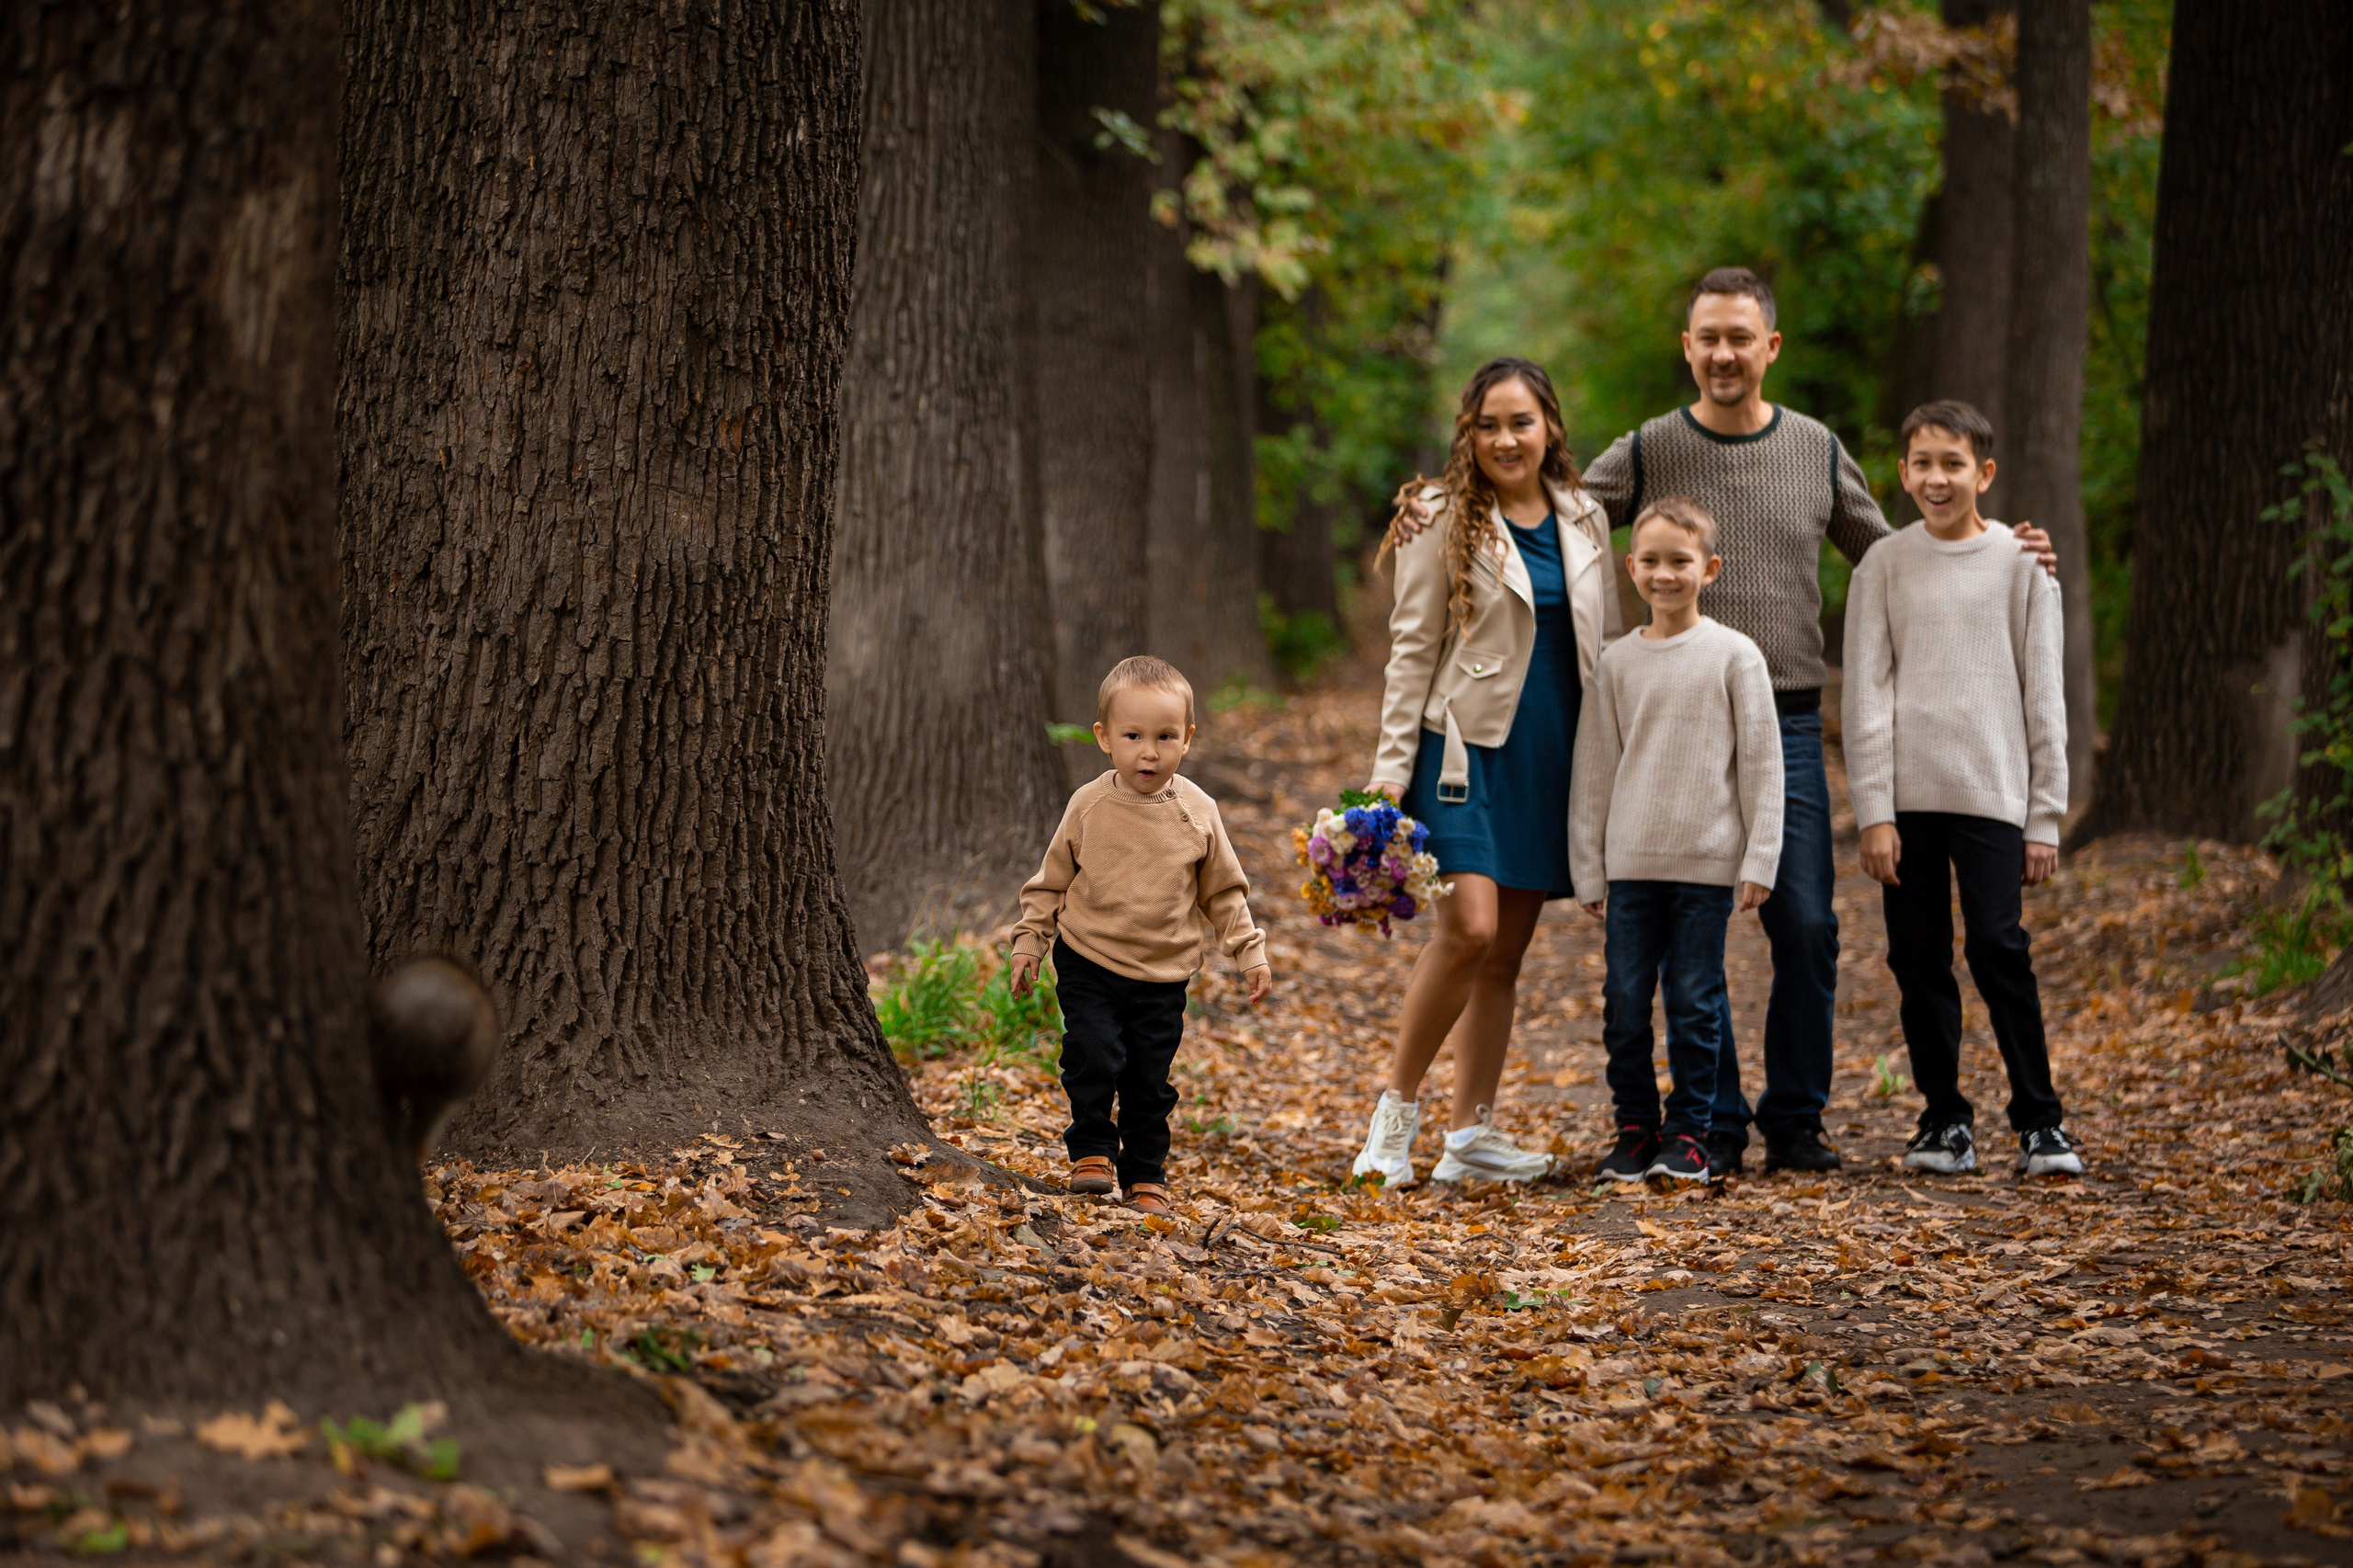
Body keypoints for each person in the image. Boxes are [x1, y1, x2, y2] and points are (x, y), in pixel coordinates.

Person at [1399, 267, 2055, 1176]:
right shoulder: (1647, 449)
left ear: (1768, 347)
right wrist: (1431, 508)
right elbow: (1546, 515)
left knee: (1805, 923)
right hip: (1674, 718)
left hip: (1784, 719)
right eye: (1706, 337)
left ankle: (1795, 1118)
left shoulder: (1818, 450)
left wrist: (2006, 550)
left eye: (1739, 337)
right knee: (1679, 935)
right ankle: (1708, 1117)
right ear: (1687, 346)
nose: (1722, 353)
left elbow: (1900, 554)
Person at [1350, 357, 1620, 1187]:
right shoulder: (1439, 514)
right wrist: (1389, 775)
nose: (1506, 439)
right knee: (1465, 931)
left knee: (1505, 953)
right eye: (1489, 424)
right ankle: (1391, 1124)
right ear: (1468, 433)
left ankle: (1471, 1138)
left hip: (1553, 757)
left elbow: (1600, 647)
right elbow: (1410, 647)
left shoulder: (1585, 516)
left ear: (1551, 429)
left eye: (1522, 422)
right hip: (1462, 753)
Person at [1844, 402, 2082, 1177]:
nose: (1936, 478)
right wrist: (1873, 813)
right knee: (1917, 958)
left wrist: (2044, 814)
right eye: (1921, 463)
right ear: (1904, 472)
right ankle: (1944, 1120)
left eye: (1952, 464)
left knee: (1997, 947)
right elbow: (1866, 697)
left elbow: (2043, 694)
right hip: (1908, 803)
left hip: (1992, 794)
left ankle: (2041, 1122)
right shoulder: (1882, 564)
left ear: (1983, 473)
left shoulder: (2023, 564)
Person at [1010, 656, 1273, 1216]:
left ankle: (1146, 1174)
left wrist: (1249, 951)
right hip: (1089, 958)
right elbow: (1051, 880)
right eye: (1133, 736)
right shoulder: (1089, 804)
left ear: (1188, 739)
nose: (1148, 751)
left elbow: (1223, 892)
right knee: (1092, 1055)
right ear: (1105, 738)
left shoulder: (1198, 811)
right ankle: (1091, 1153)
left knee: (1149, 1082)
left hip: (1163, 972)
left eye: (1165, 736)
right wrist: (1030, 942)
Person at [1571, 498, 1782, 1184]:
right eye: (1651, 561)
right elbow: (1595, 771)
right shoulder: (1616, 663)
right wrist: (1589, 869)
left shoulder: (1735, 657)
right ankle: (1635, 1128)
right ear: (1631, 568)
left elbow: (1762, 766)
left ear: (1710, 569)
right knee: (1625, 1002)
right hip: (1631, 865)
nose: (1665, 575)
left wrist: (1760, 858)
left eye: (1681, 561)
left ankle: (1690, 1132)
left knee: (1694, 1001)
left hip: (1705, 867)